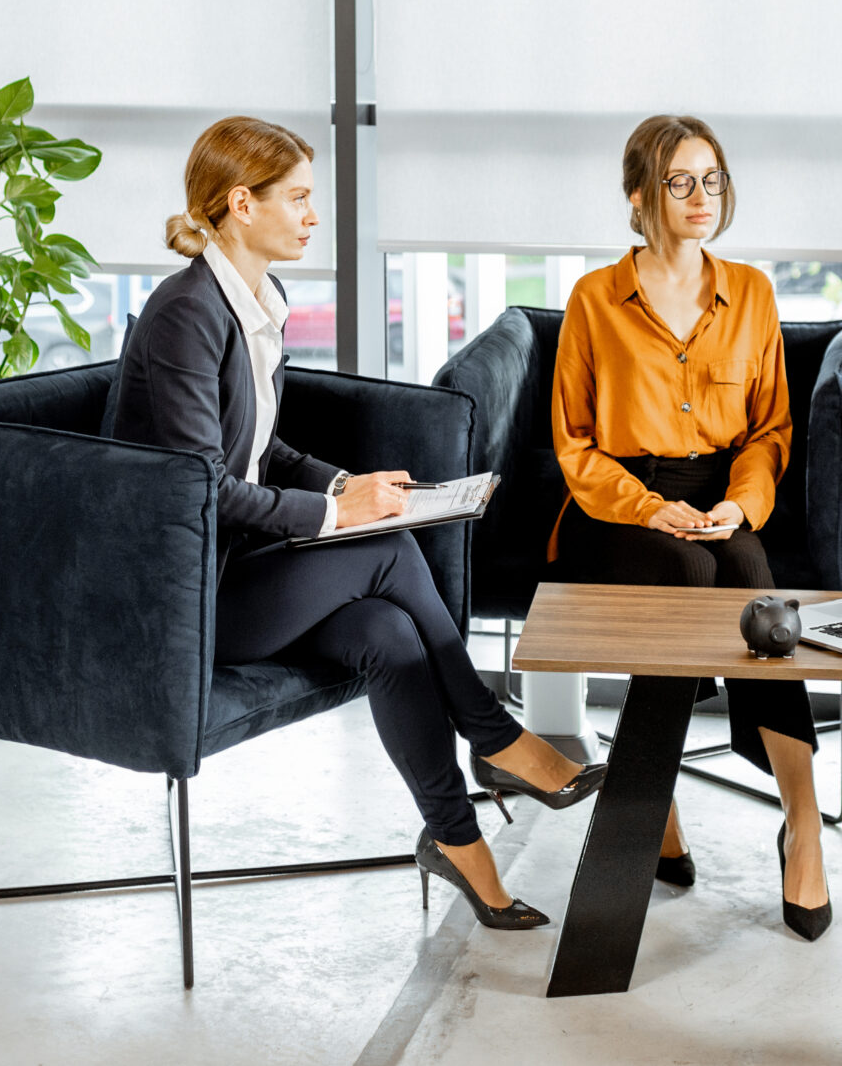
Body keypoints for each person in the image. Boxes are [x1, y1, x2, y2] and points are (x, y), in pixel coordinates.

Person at [110, 116, 602, 929]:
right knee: (385, 542)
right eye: (298, 197)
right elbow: (201, 489)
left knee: (389, 633)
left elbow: (265, 448)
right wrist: (343, 512)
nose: (312, 214)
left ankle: (458, 844)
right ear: (240, 203)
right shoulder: (184, 316)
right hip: (186, 598)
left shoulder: (256, 298)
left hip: (242, 570)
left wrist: (346, 481)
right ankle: (494, 735)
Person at [550, 114, 833, 941]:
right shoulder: (595, 298)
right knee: (687, 575)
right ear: (640, 196)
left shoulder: (750, 291)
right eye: (679, 181)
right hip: (619, 503)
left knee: (754, 587)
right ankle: (651, 795)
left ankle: (802, 821)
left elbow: (769, 431)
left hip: (723, 495)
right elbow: (573, 443)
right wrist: (647, 504)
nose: (700, 196)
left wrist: (739, 504)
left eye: (712, 178)